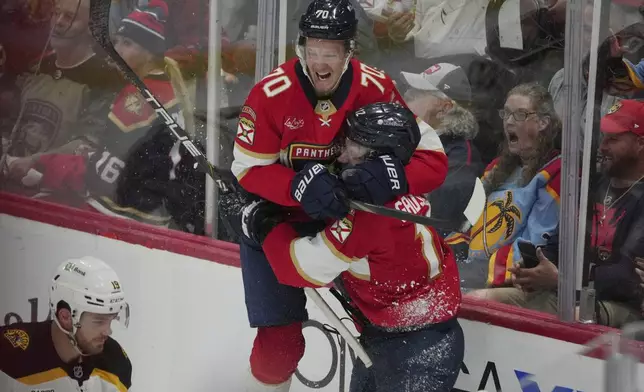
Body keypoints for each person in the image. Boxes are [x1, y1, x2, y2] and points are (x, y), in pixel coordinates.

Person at [227, 0, 448, 389]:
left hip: (349, 221)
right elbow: (247, 169)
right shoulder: (271, 93)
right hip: (281, 220)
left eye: (329, 52)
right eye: (312, 51)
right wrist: (294, 186)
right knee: (277, 353)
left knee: (376, 331)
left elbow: (431, 157)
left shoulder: (376, 87)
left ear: (349, 51)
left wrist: (394, 176)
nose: (319, 62)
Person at [240, 102, 463, 392]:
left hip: (414, 351)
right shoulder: (404, 185)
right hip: (407, 336)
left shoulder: (368, 217)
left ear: (381, 157)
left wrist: (264, 224)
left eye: (353, 149)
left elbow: (299, 269)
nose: (342, 155)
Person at [8, 0, 205, 233]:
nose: (117, 49)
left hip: (129, 218)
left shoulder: (140, 97)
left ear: (151, 54)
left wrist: (44, 165)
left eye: (128, 43)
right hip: (151, 211)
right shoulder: (159, 87)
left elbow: (101, 175)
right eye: (117, 41)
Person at [472, 100, 644, 328]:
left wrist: (562, 278)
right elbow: (558, 242)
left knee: (573, 318)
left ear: (640, 143)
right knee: (477, 300)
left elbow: (628, 277)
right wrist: (535, 267)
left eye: (613, 139)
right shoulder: (592, 186)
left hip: (622, 306)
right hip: (569, 291)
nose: (602, 147)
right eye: (603, 137)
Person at [446, 82, 562, 290]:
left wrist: (475, 272)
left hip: (502, 279)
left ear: (543, 122)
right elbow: (467, 223)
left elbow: (533, 245)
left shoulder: (556, 172)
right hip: (469, 269)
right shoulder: (496, 168)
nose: (509, 122)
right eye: (506, 113)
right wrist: (450, 256)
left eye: (519, 115)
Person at [0, 256, 132, 391]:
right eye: (99, 321)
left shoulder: (116, 362)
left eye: (111, 319)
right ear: (65, 317)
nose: (108, 331)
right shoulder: (9, 355)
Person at [400, 63, 484, 242]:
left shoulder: (460, 160)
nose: (406, 97)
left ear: (444, 108)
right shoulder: (415, 142)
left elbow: (433, 223)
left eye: (417, 93)